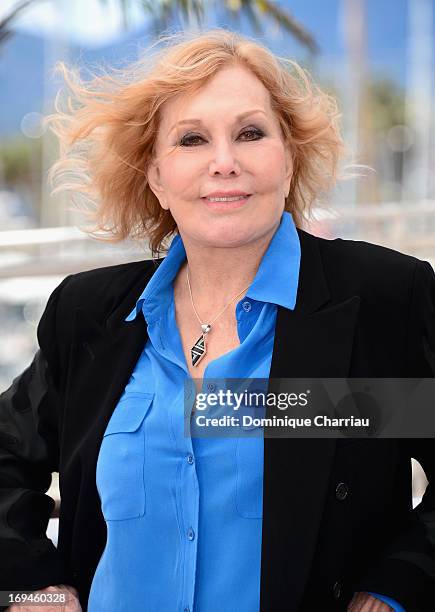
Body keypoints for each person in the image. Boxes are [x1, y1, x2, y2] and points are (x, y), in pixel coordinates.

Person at [0, 27, 434, 612]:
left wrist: (392, 589)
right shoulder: (89, 316)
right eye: (192, 139)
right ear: (156, 177)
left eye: (250, 133)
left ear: (289, 159)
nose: (224, 162)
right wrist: (33, 587)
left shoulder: (384, 301)